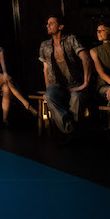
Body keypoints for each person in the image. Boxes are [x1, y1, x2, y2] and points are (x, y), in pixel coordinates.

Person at [37, 14, 92, 143]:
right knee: (50, 96)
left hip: (74, 83)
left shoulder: (71, 39)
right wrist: (48, 89)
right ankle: (70, 131)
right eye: (47, 23)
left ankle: (72, 133)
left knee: (77, 98)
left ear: (60, 26)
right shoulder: (45, 45)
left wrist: (85, 83)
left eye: (51, 23)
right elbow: (45, 69)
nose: (47, 25)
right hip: (56, 85)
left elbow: (86, 59)